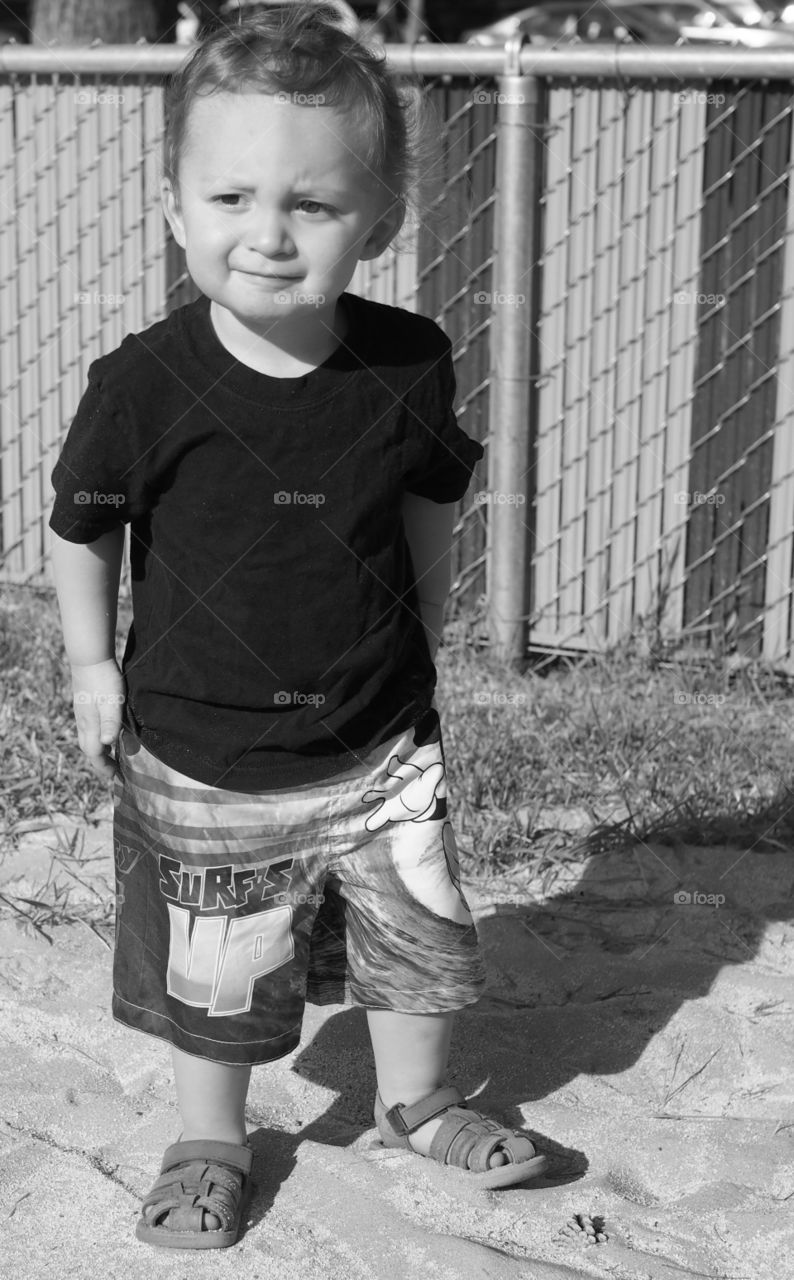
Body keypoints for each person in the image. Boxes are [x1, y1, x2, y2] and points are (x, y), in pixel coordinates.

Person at [48, 2, 547, 1251]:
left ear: (374, 221)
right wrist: (93, 665)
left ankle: (419, 1099)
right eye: (229, 199)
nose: (264, 235)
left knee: (415, 934)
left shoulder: (407, 364)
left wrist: (430, 629)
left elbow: (430, 504)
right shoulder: (144, 386)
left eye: (311, 206)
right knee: (221, 966)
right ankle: (211, 1133)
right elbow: (80, 529)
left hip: (382, 738)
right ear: (175, 207)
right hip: (210, 752)